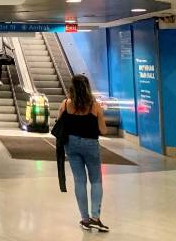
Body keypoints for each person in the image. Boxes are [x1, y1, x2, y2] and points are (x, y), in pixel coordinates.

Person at [57, 74, 109, 232]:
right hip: (91, 145)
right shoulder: (95, 106)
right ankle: (95, 217)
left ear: (72, 87)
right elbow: (104, 130)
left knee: (79, 181)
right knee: (96, 181)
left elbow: (59, 124)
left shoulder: (65, 104)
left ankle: (85, 219)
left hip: (71, 145)